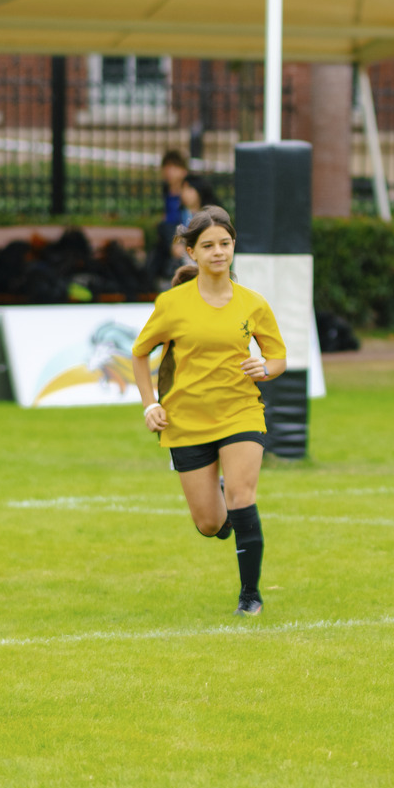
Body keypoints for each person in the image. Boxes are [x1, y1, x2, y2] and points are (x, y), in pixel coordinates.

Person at [131, 206, 287, 617]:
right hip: (186, 420)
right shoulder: (172, 304)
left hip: (240, 413)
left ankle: (250, 596)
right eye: (208, 246)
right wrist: (151, 404)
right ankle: (222, 505)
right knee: (209, 524)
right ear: (191, 252)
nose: (218, 252)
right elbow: (140, 352)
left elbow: (278, 355)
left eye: (225, 243)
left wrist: (265, 368)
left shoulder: (252, 304)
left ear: (233, 246)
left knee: (242, 496)